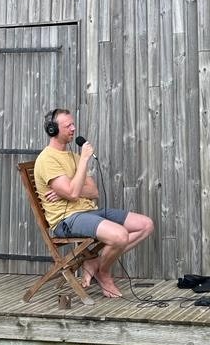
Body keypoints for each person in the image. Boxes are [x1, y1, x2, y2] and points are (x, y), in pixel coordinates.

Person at [34, 108, 154, 298]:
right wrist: (81, 167)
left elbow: (93, 191)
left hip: (89, 212)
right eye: (68, 126)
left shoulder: (72, 157)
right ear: (52, 130)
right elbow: (73, 193)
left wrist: (68, 190)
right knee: (120, 236)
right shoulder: (47, 159)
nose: (74, 128)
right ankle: (104, 274)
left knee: (145, 225)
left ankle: (95, 263)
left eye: (73, 124)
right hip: (67, 220)